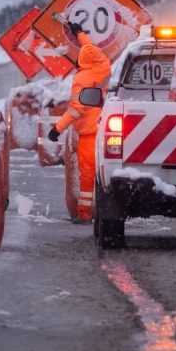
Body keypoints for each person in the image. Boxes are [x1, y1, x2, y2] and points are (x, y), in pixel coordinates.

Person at [47, 21, 111, 224]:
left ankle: (84, 213)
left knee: (88, 174)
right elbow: (92, 48)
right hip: (106, 131)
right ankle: (108, 209)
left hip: (90, 133)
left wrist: (57, 129)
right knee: (106, 174)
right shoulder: (104, 65)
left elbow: (76, 108)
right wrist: (79, 33)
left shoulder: (82, 78)